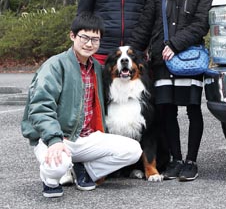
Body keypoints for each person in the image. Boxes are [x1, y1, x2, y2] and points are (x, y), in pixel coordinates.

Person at [21, 12, 143, 198]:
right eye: (84, 37)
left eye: (95, 40)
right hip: (55, 137)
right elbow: (40, 107)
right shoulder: (55, 66)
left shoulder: (96, 68)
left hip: (85, 137)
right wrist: (54, 140)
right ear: (72, 36)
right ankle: (51, 181)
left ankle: (83, 169)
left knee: (133, 150)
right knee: (58, 166)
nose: (89, 44)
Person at [130, 0, 213, 182]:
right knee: (166, 111)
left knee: (193, 109)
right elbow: (146, 24)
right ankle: (176, 159)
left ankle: (191, 161)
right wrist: (131, 53)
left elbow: (201, 24)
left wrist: (175, 44)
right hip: (161, 61)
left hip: (189, 59)